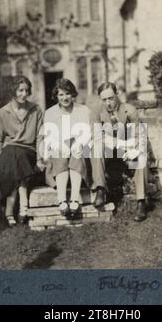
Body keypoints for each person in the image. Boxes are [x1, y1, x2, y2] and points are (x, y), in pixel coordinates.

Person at [90, 82, 148, 222]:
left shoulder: (130, 110)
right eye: (104, 100)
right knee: (96, 147)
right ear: (100, 99)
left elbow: (138, 136)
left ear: (117, 95)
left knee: (141, 156)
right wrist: (117, 143)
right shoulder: (96, 112)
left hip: (126, 150)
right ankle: (100, 189)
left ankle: (141, 202)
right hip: (109, 150)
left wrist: (132, 148)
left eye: (111, 98)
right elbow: (97, 136)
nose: (108, 103)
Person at [0, 75, 45, 226]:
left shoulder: (36, 110)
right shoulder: (3, 112)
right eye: (20, 90)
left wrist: (40, 158)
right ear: (13, 91)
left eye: (26, 90)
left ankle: (10, 211)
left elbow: (40, 136)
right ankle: (24, 207)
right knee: (13, 152)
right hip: (10, 153)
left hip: (29, 151)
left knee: (18, 154)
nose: (24, 94)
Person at [39, 78, 92, 218]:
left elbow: (87, 132)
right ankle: (62, 200)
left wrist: (79, 143)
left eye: (67, 94)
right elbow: (49, 136)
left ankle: (75, 199)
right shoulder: (50, 113)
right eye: (61, 94)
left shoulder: (83, 110)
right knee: (58, 153)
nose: (65, 98)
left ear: (73, 94)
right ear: (56, 96)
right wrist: (59, 145)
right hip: (59, 146)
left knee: (77, 153)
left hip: (78, 146)